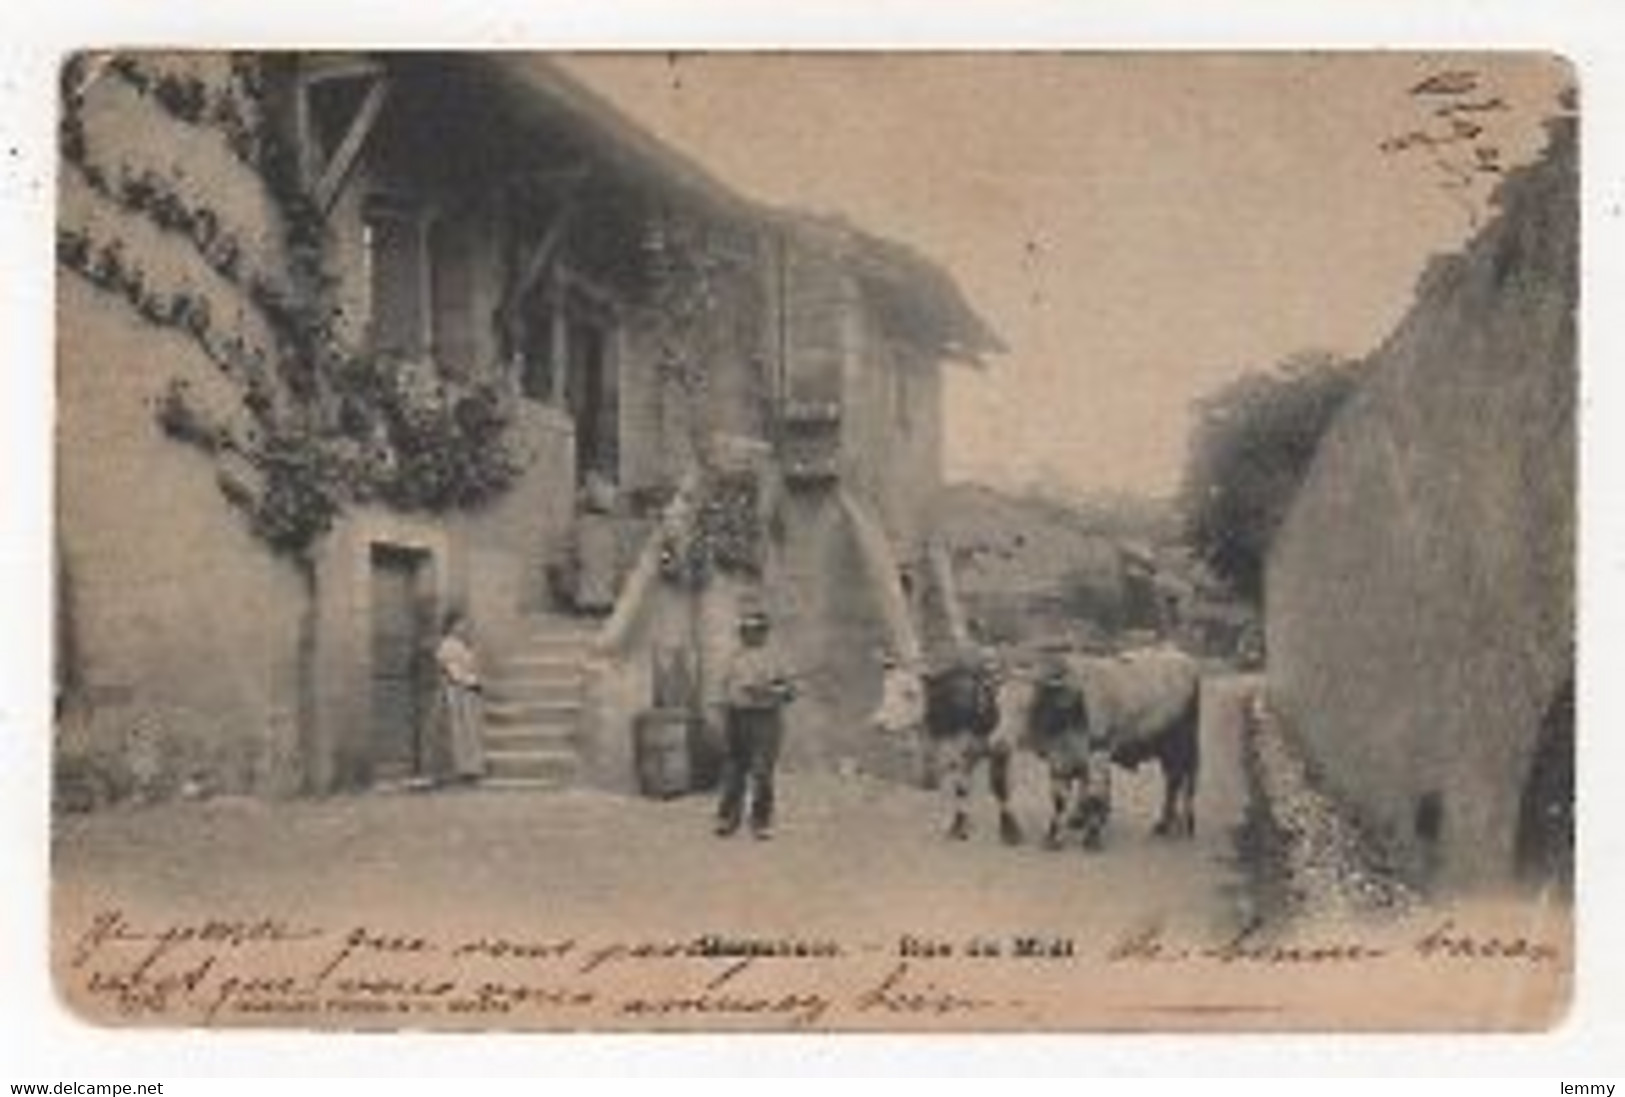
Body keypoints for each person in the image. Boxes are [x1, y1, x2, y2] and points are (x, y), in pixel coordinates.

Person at [715, 604, 797, 839]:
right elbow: (724, 691)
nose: (751, 635)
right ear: (742, 633)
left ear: (764, 632)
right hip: (737, 718)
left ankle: (761, 821)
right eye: (746, 631)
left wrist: (773, 690)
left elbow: (789, 692)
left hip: (766, 721)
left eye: (756, 630)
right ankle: (728, 819)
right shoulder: (733, 659)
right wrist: (739, 696)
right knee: (734, 770)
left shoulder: (776, 659)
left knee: (762, 772)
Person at [435, 610, 486, 784]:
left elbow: (470, 667)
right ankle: (462, 769)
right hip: (457, 691)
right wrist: (469, 682)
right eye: (460, 624)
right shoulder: (447, 646)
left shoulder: (462, 645)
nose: (463, 627)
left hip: (467, 691)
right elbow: (453, 671)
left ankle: (472, 768)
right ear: (451, 626)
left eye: (464, 624)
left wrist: (474, 681)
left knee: (470, 730)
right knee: (459, 730)